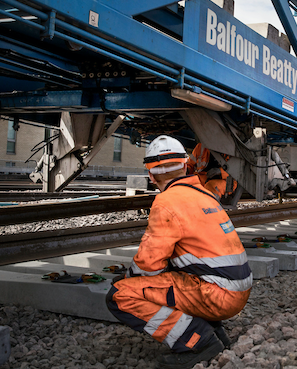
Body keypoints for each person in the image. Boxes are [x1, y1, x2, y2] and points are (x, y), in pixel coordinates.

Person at [106, 135, 252, 369]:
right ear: (185, 166)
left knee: (120, 295)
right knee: (177, 272)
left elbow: (148, 265)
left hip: (217, 295)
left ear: (151, 175)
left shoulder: (166, 201)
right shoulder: (205, 195)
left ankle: (198, 341)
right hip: (237, 289)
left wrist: (128, 280)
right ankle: (214, 332)